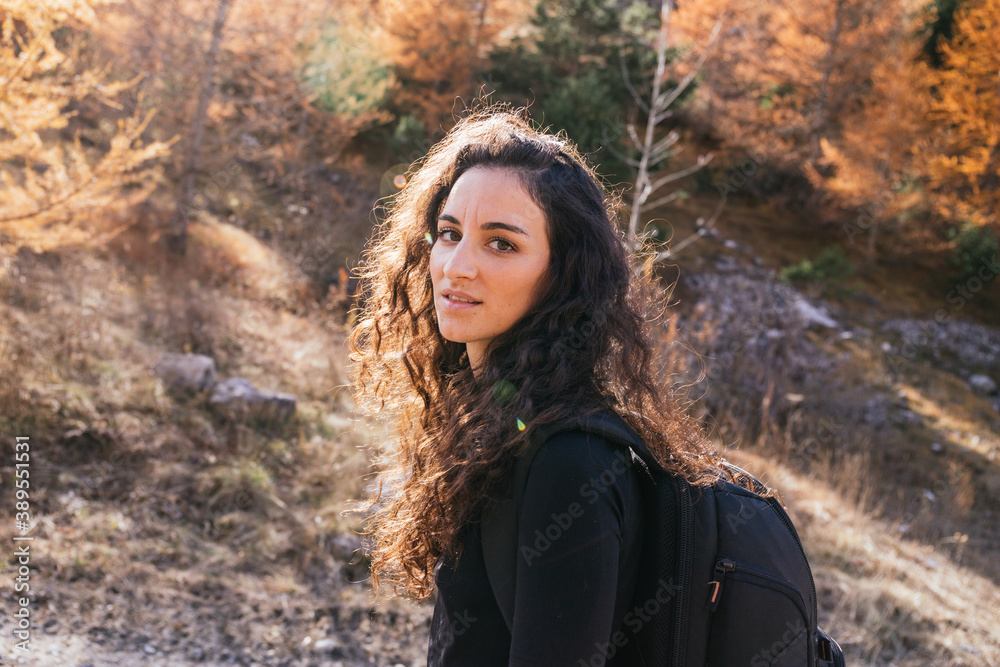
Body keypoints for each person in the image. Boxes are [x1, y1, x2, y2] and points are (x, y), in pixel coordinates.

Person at [349, 108, 723, 665]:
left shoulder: (569, 464)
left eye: (501, 244)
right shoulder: (495, 428)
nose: (456, 266)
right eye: (449, 234)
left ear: (563, 274)